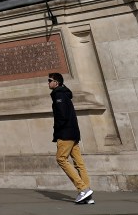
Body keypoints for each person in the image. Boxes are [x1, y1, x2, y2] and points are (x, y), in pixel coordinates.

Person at [49, 72, 94, 204]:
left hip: (65, 133)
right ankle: (87, 194)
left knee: (61, 159)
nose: (48, 82)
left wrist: (57, 130)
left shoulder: (59, 95)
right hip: (73, 133)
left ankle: (83, 189)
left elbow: (62, 116)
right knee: (79, 163)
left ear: (56, 82)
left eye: (49, 80)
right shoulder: (64, 94)